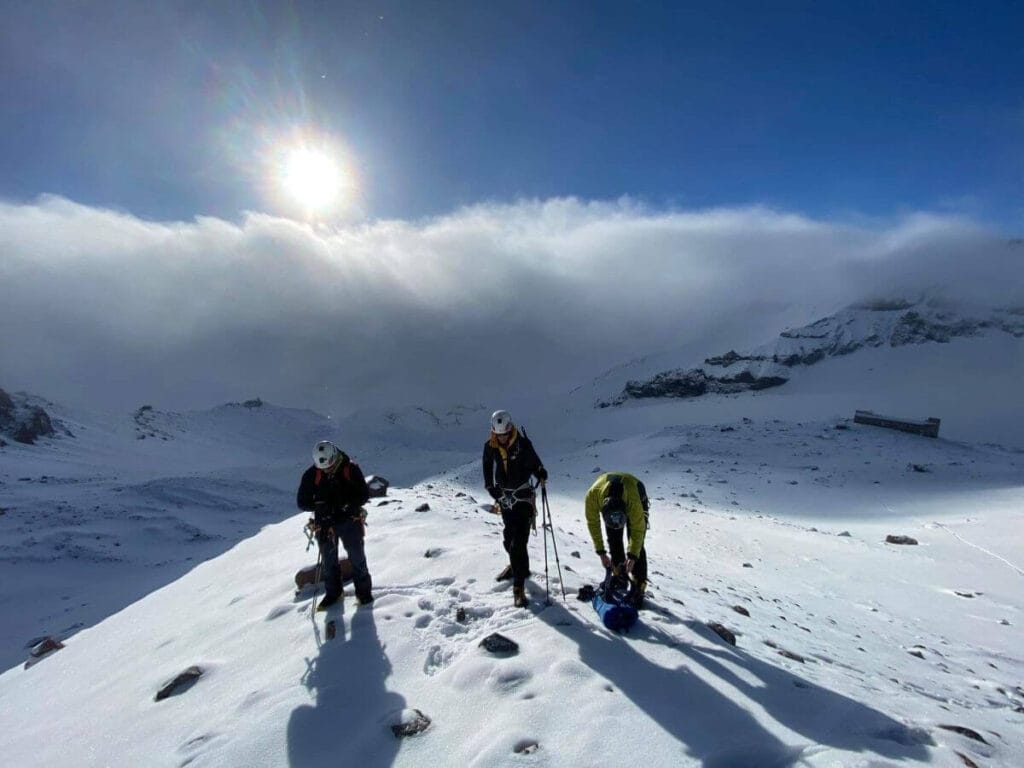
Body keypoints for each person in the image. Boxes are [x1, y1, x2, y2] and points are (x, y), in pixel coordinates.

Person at [482, 410, 548, 607]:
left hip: (523, 498)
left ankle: (518, 587)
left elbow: (535, 464)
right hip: (505, 499)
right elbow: (487, 466)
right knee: (509, 539)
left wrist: (541, 473)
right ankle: (518, 567)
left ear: (510, 429)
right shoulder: (490, 446)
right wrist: (491, 488)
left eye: (504, 434)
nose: (502, 438)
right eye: (498, 434)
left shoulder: (523, 444)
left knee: (518, 542)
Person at [297, 440, 373, 609]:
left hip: (349, 520)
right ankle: (334, 593)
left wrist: (345, 504)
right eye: (323, 468)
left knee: (357, 558)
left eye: (329, 467)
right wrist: (321, 505)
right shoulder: (312, 474)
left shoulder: (350, 469)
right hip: (325, 524)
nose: (326, 470)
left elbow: (363, 495)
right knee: (328, 561)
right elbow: (302, 502)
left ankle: (364, 593)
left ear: (335, 457)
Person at [584, 472, 649, 608]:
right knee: (614, 540)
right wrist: (601, 552)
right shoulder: (592, 496)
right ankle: (620, 577)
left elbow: (638, 530)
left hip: (636, 491)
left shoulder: (633, 502)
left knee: (637, 545)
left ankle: (639, 586)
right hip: (607, 498)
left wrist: (633, 556)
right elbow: (593, 523)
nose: (617, 524)